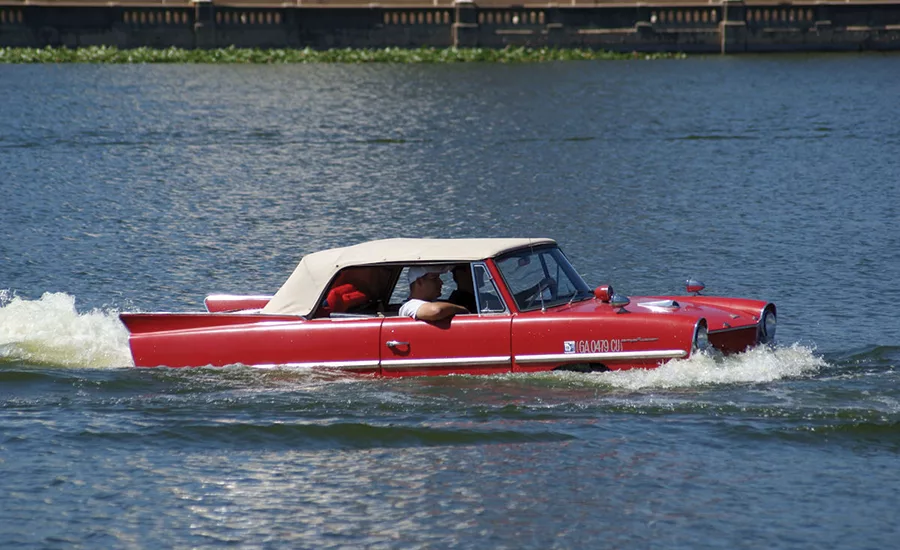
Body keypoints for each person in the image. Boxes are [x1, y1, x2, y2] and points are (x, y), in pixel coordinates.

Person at [399, 265, 469, 321]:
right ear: (419, 282)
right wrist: (464, 310)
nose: (441, 282)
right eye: (434, 278)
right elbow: (436, 310)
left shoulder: (428, 303)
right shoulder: (409, 306)